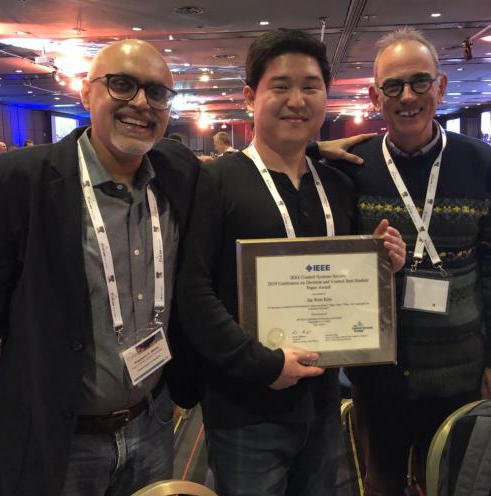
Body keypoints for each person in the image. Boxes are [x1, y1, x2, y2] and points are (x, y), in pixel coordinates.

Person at [0, 39, 203, 496]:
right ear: (86, 92)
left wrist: (317, 153)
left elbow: (248, 172)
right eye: (122, 85)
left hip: (154, 423)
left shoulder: (177, 169)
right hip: (57, 439)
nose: (141, 103)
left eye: (157, 93)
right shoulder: (14, 182)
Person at [176, 28, 406, 496]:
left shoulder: (338, 185)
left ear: (326, 95)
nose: (296, 100)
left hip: (322, 401)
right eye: (280, 86)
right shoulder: (216, 182)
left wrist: (383, 267)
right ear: (249, 96)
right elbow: (194, 292)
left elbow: (347, 278)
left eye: (310, 86)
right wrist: (262, 364)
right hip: (245, 409)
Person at [324, 26, 491, 496]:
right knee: (382, 482)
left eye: (419, 82)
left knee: (453, 482)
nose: (407, 96)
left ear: (441, 86)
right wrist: (313, 150)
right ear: (375, 96)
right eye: (393, 86)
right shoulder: (353, 167)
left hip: (460, 369)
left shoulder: (479, 162)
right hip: (380, 374)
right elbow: (334, 268)